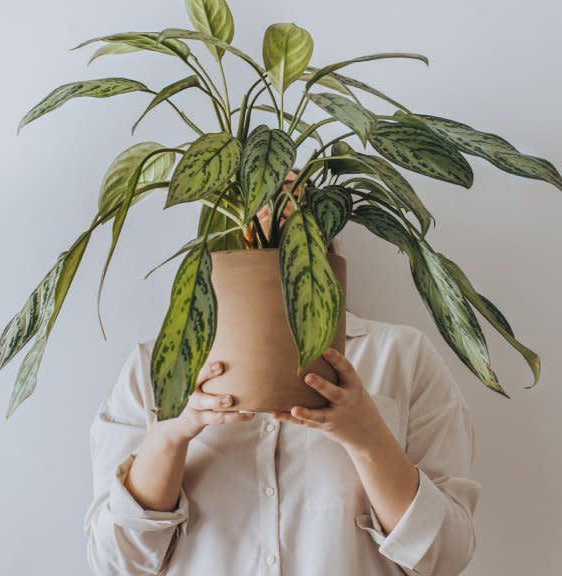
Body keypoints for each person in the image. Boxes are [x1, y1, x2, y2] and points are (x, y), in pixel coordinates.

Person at [84, 169, 481, 576]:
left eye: (291, 195)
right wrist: (171, 434)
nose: (272, 211)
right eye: (254, 196)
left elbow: (445, 557)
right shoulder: (158, 366)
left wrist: (368, 439)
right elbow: (116, 563)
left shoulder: (401, 355)